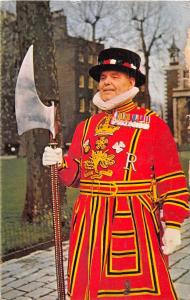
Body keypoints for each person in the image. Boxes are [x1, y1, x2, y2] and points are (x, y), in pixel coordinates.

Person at [42, 48, 189, 299]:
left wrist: (174, 224)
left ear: (132, 82)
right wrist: (60, 163)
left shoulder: (152, 124)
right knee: (89, 287)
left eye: (115, 76)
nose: (106, 82)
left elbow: (171, 178)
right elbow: (76, 177)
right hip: (89, 221)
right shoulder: (85, 127)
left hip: (132, 220)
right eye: (102, 77)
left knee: (133, 291)